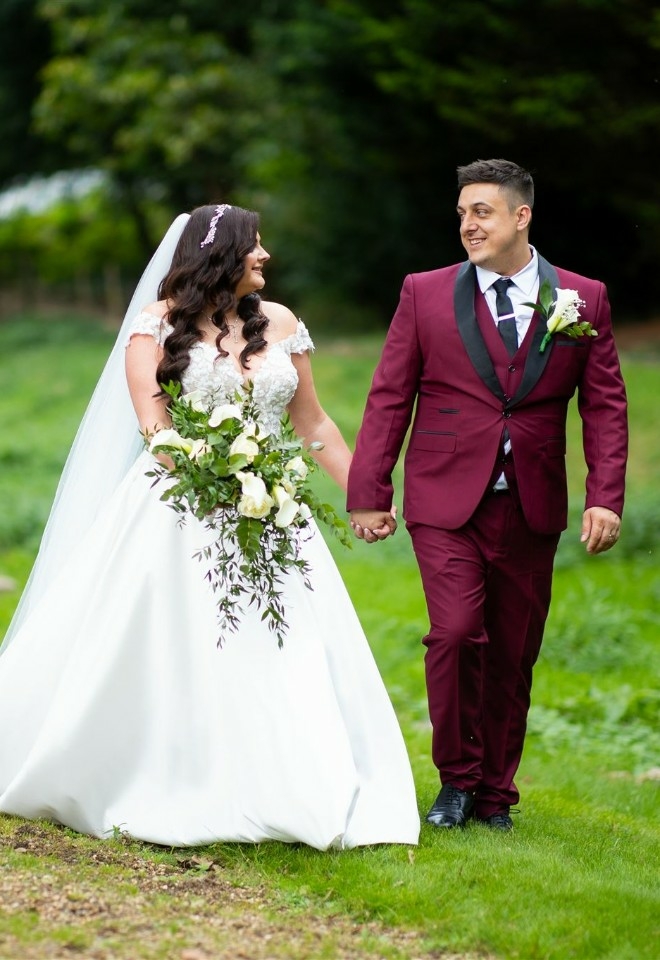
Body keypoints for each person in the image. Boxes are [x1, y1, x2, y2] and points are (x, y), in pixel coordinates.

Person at [0, 203, 420, 850]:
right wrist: (220, 476)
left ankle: (291, 781)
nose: (266, 257)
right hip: (179, 513)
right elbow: (157, 432)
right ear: (221, 255)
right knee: (182, 646)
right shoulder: (153, 330)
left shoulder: (280, 324)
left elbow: (314, 426)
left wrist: (367, 494)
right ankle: (172, 774)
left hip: (271, 510)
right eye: (255, 246)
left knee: (282, 650)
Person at [347, 159, 628, 831]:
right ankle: (456, 781)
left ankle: (497, 795)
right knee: (454, 634)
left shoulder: (583, 299)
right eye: (463, 213)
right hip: (445, 500)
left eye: (483, 212)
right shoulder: (424, 292)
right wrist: (369, 489)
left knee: (512, 651)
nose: (468, 225)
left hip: (532, 503)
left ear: (521, 216)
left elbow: (606, 405)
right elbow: (390, 395)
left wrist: (605, 495)